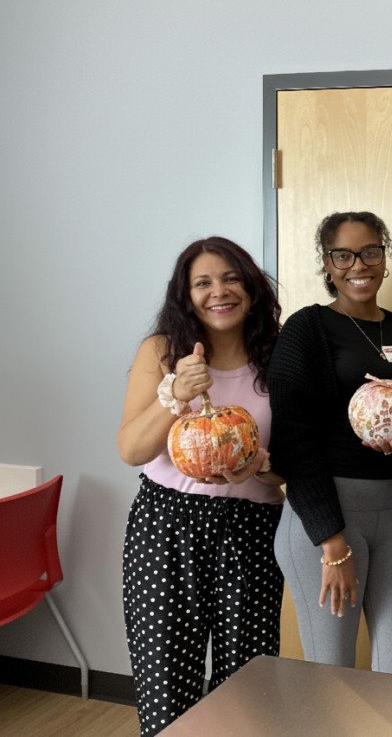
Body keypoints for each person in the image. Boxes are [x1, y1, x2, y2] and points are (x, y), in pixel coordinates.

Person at [117, 237, 285, 737]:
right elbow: (130, 450)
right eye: (203, 282)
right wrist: (175, 395)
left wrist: (257, 466)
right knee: (167, 683)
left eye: (231, 278)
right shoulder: (162, 353)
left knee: (249, 684)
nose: (220, 292)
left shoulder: (279, 355)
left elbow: (291, 470)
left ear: (251, 286)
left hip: (253, 530)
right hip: (166, 528)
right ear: (185, 294)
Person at [268, 211, 392, 676]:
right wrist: (331, 541)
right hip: (325, 520)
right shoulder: (307, 329)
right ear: (327, 264)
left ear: (385, 257)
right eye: (342, 255)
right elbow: (291, 441)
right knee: (331, 676)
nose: (358, 265)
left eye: (370, 251)